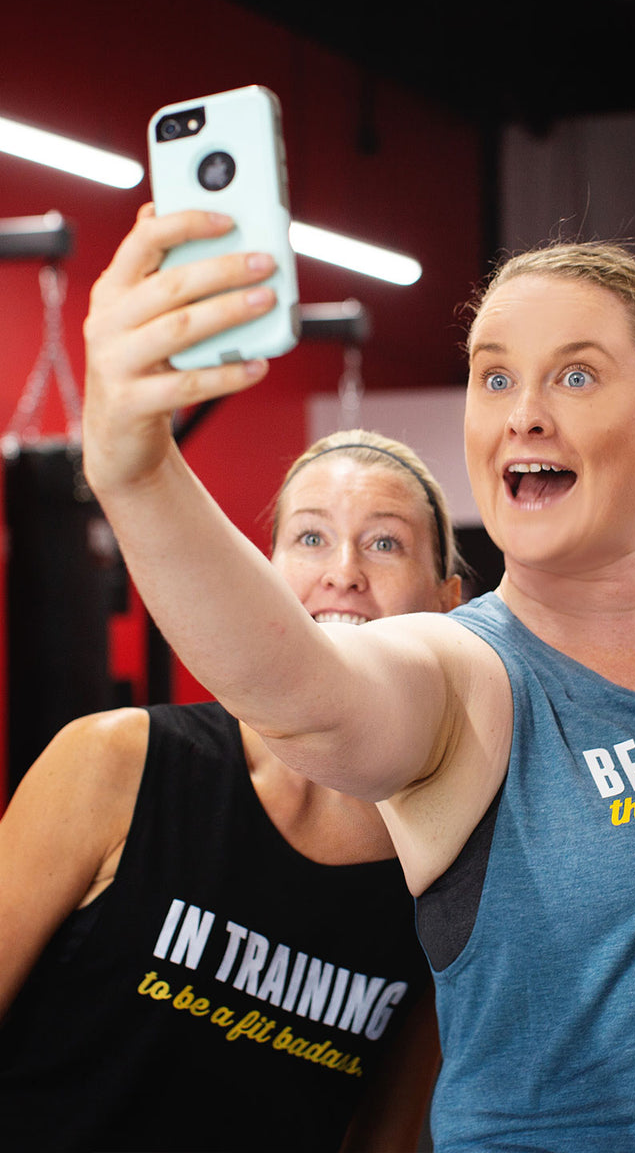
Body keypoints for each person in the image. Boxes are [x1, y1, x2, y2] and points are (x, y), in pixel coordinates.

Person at [79, 205, 635, 1152]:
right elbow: (305, 692)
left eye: (575, 374)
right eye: (495, 376)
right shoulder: (468, 673)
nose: (525, 410)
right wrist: (137, 471)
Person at [0, 428, 463, 1152]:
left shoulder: (444, 873)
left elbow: (384, 1140)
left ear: (446, 601)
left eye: (384, 544)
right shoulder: (114, 762)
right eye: (310, 538)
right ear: (267, 574)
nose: (343, 572)